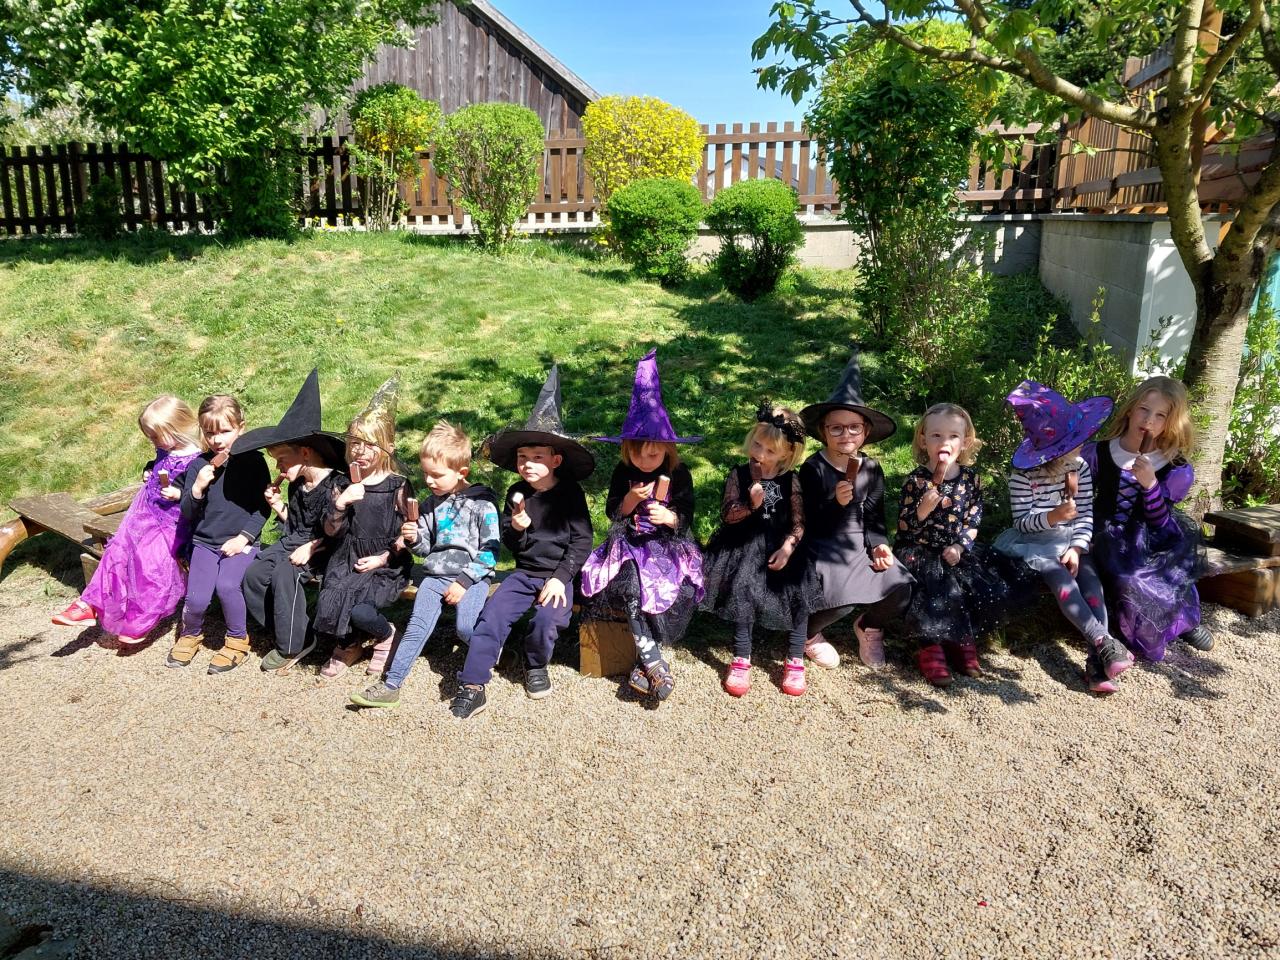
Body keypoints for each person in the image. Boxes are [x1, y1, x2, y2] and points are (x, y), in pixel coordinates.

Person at [449, 366, 595, 720]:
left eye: (537, 457)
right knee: (491, 617)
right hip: (524, 573)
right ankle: (472, 684)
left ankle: (535, 663)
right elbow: (512, 544)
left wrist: (560, 578)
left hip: (558, 575)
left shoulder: (570, 494)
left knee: (547, 620)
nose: (528, 464)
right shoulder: (517, 492)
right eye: (522, 458)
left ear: (555, 461)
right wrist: (516, 528)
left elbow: (582, 540)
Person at [580, 349, 703, 703]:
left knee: (672, 585)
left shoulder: (678, 473)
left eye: (653, 454)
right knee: (632, 586)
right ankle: (653, 662)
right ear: (626, 451)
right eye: (637, 454)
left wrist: (671, 517)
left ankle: (644, 663)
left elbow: (687, 512)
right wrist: (632, 499)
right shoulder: (623, 472)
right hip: (630, 544)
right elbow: (613, 513)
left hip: (668, 544)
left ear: (667, 449)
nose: (645, 461)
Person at [994, 380, 1133, 694]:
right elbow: (1022, 522)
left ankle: (1097, 663)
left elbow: (1084, 514)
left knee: (1092, 583)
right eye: (1076, 442)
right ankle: (1102, 642)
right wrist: (1053, 517)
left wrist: (1077, 547)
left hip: (1070, 540)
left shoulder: (1078, 468)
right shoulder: (1023, 476)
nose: (1083, 446)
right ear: (1054, 452)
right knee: (1061, 581)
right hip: (1036, 545)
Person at [350, 420, 500, 709]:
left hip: (472, 576)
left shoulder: (482, 504)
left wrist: (464, 582)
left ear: (462, 472)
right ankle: (391, 684)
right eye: (425, 473)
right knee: (416, 627)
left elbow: (490, 552)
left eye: (436, 475)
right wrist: (414, 538)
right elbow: (427, 549)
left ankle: (491, 649)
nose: (429, 481)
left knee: (466, 628)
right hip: (436, 575)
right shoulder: (431, 503)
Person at [895, 403, 1032, 685]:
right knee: (933, 588)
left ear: (966, 442)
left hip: (955, 550)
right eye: (936, 435)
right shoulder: (916, 481)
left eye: (953, 436)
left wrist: (959, 547)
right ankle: (930, 646)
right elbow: (904, 528)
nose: (944, 443)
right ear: (923, 439)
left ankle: (961, 638)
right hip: (920, 549)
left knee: (972, 587)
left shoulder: (971, 480)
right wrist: (921, 510)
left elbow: (973, 520)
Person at [52, 396, 202, 646]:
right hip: (145, 511)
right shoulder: (165, 448)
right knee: (117, 550)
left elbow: (201, 494)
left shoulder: (197, 459)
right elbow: (159, 463)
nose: (153, 442)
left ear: (175, 427)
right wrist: (149, 469)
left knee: (152, 565)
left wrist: (179, 494)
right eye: (150, 437)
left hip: (173, 523)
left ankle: (139, 621)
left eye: (155, 436)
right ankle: (88, 604)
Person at [1082, 375, 1211, 661]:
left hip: (1152, 533)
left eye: (1160, 415)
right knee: (1128, 578)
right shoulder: (1101, 452)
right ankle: (1141, 629)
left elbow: (1160, 523)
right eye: (1144, 409)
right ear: (1130, 409)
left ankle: (1183, 622)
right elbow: (1081, 499)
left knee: (1169, 569)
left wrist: (1150, 485)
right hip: (1106, 532)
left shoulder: (1174, 466)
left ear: (1170, 423)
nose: (1149, 420)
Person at [798, 353, 913, 671]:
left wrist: (879, 544)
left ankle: (869, 626)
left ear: (865, 432)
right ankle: (806, 633)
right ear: (823, 431)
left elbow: (874, 515)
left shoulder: (871, 468)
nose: (846, 435)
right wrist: (835, 502)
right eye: (836, 428)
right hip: (825, 545)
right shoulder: (813, 468)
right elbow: (807, 521)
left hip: (860, 543)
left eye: (853, 428)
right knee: (843, 601)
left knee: (901, 588)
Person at [700, 403, 821, 697]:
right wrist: (749, 505)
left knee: (799, 591)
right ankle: (741, 656)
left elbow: (798, 522)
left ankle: (795, 657)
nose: (760, 454)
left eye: (770, 450)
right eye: (757, 444)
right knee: (744, 587)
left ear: (786, 454)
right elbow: (727, 515)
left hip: (781, 544)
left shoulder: (790, 480)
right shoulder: (739, 474)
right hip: (744, 543)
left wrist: (789, 547)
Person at [234, 369, 349, 674]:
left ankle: (293, 644)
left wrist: (311, 547)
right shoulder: (297, 483)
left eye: (282, 459)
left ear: (306, 453)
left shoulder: (337, 485)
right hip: (295, 541)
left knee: (287, 573)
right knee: (254, 574)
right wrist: (279, 507)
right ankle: (290, 628)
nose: (278, 466)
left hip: (325, 549)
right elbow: (297, 525)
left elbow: (339, 532)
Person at [314, 378, 414, 679]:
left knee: (360, 610)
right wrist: (341, 503)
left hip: (386, 560)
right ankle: (349, 645)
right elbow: (331, 531)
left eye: (370, 444)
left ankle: (386, 636)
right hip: (347, 557)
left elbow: (408, 531)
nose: (360, 450)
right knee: (329, 601)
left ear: (387, 448)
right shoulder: (343, 484)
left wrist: (383, 558)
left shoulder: (397, 486)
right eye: (355, 443)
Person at [166, 394, 272, 673]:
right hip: (205, 542)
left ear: (241, 427)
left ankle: (237, 640)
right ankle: (190, 634)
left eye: (224, 431)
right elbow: (188, 512)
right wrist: (197, 488)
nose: (217, 440)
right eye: (210, 432)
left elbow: (262, 508)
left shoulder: (253, 463)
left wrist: (243, 538)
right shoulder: (198, 465)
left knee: (227, 586)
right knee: (197, 597)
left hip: (242, 542)